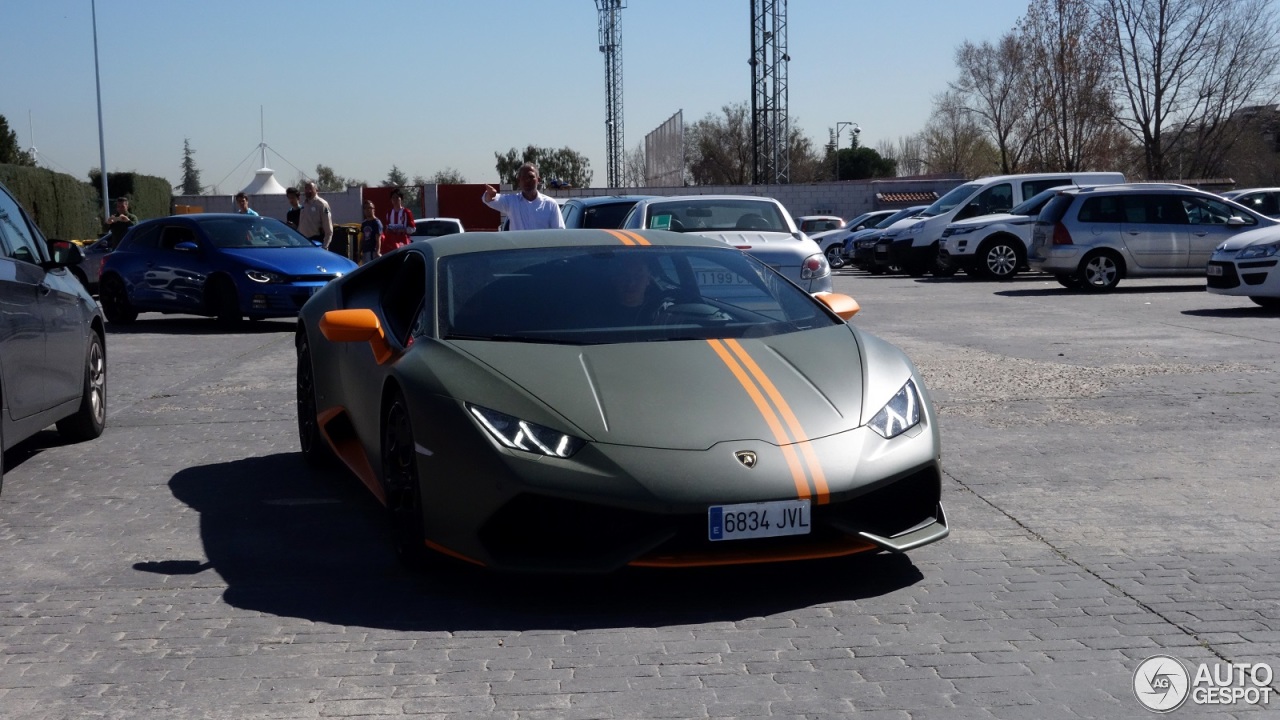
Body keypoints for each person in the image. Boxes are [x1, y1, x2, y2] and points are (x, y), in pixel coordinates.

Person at [482, 163, 566, 230]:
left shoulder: (550, 205)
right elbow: (488, 199)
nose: (527, 180)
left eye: (531, 177)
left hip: (541, 251)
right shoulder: (512, 202)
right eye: (523, 177)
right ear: (519, 180)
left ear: (538, 180)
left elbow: (560, 233)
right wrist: (490, 195)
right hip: (519, 251)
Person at [297, 181, 333, 249]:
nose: (308, 191)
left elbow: (328, 229)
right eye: (306, 188)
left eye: (310, 188)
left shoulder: (322, 204)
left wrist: (325, 246)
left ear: (316, 190)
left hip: (316, 242)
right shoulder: (304, 204)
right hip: (303, 242)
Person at [381, 189, 416, 254]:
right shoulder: (389, 213)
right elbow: (386, 228)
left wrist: (403, 230)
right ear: (391, 200)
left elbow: (413, 229)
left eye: (397, 197)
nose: (395, 200)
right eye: (393, 198)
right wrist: (388, 230)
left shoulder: (406, 212)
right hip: (391, 244)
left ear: (401, 199)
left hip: (404, 242)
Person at [359, 200, 383, 265]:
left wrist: (377, 252)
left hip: (373, 251)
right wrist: (359, 251)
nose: (368, 210)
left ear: (373, 209)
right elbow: (362, 238)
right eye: (366, 208)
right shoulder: (364, 223)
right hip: (365, 251)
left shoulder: (376, 223)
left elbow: (378, 239)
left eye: (370, 208)